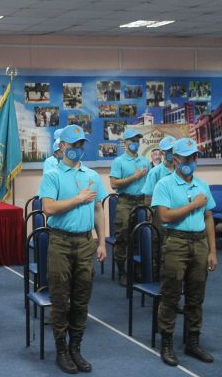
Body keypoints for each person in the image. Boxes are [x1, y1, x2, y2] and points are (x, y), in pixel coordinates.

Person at [38, 124, 108, 374]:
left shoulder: (92, 176)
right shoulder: (53, 175)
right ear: (62, 146)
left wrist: (101, 242)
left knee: (81, 299)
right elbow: (48, 208)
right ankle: (61, 350)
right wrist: (78, 199)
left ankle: (75, 347)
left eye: (81, 144)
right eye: (73, 144)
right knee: (60, 299)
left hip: (85, 242)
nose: (78, 148)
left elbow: (98, 209)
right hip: (60, 242)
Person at [151, 138, 217, 367]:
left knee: (196, 296)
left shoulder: (202, 185)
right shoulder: (164, 185)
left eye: (194, 157)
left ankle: (193, 341)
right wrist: (193, 205)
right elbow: (165, 216)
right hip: (175, 242)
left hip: (199, 243)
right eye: (186, 158)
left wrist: (212, 251)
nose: (191, 161)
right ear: (176, 160)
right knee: (170, 295)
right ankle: (167, 343)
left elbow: (208, 217)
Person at [109, 128, 150, 286]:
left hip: (141, 202)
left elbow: (149, 185)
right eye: (132, 140)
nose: (135, 143)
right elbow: (114, 184)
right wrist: (134, 177)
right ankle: (122, 272)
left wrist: (149, 206)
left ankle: (137, 270)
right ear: (125, 143)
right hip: (125, 202)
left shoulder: (145, 161)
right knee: (123, 235)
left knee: (140, 237)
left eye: (137, 140)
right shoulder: (119, 161)